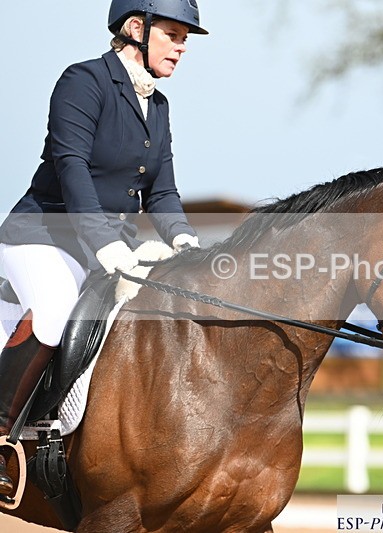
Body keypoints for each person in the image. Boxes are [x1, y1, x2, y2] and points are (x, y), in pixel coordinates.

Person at [0, 0, 208, 497]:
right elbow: (71, 167)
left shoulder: (157, 106)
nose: (181, 48)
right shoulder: (83, 82)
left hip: (110, 246)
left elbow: (162, 190)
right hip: (44, 236)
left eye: (184, 39)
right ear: (137, 28)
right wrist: (104, 241)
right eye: (174, 35)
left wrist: (183, 238)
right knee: (52, 313)